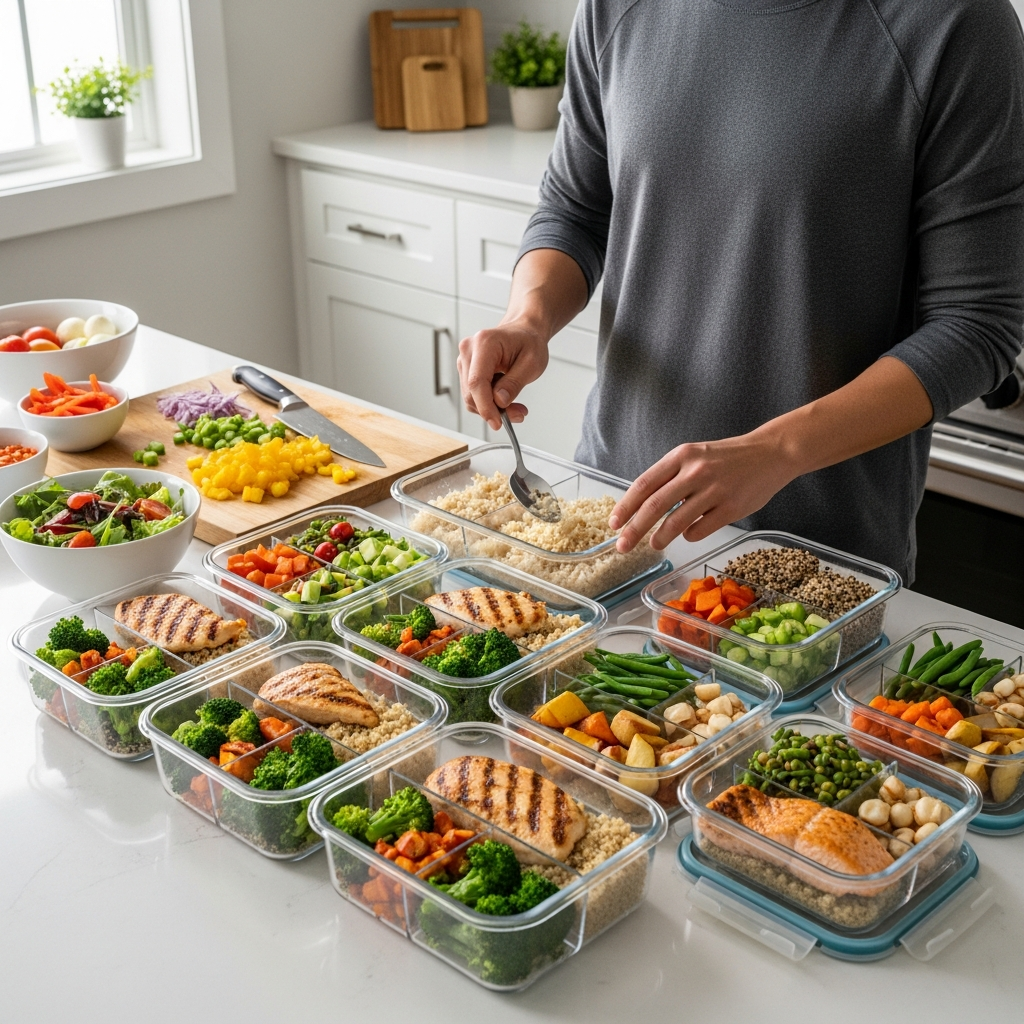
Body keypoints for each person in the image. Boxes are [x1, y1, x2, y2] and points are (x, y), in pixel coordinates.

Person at [457, 0, 1024, 583]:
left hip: (812, 561)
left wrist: (778, 451)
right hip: (612, 521)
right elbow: (575, 210)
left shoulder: (955, 22)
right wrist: (529, 317)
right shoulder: (613, 8)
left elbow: (978, 324)